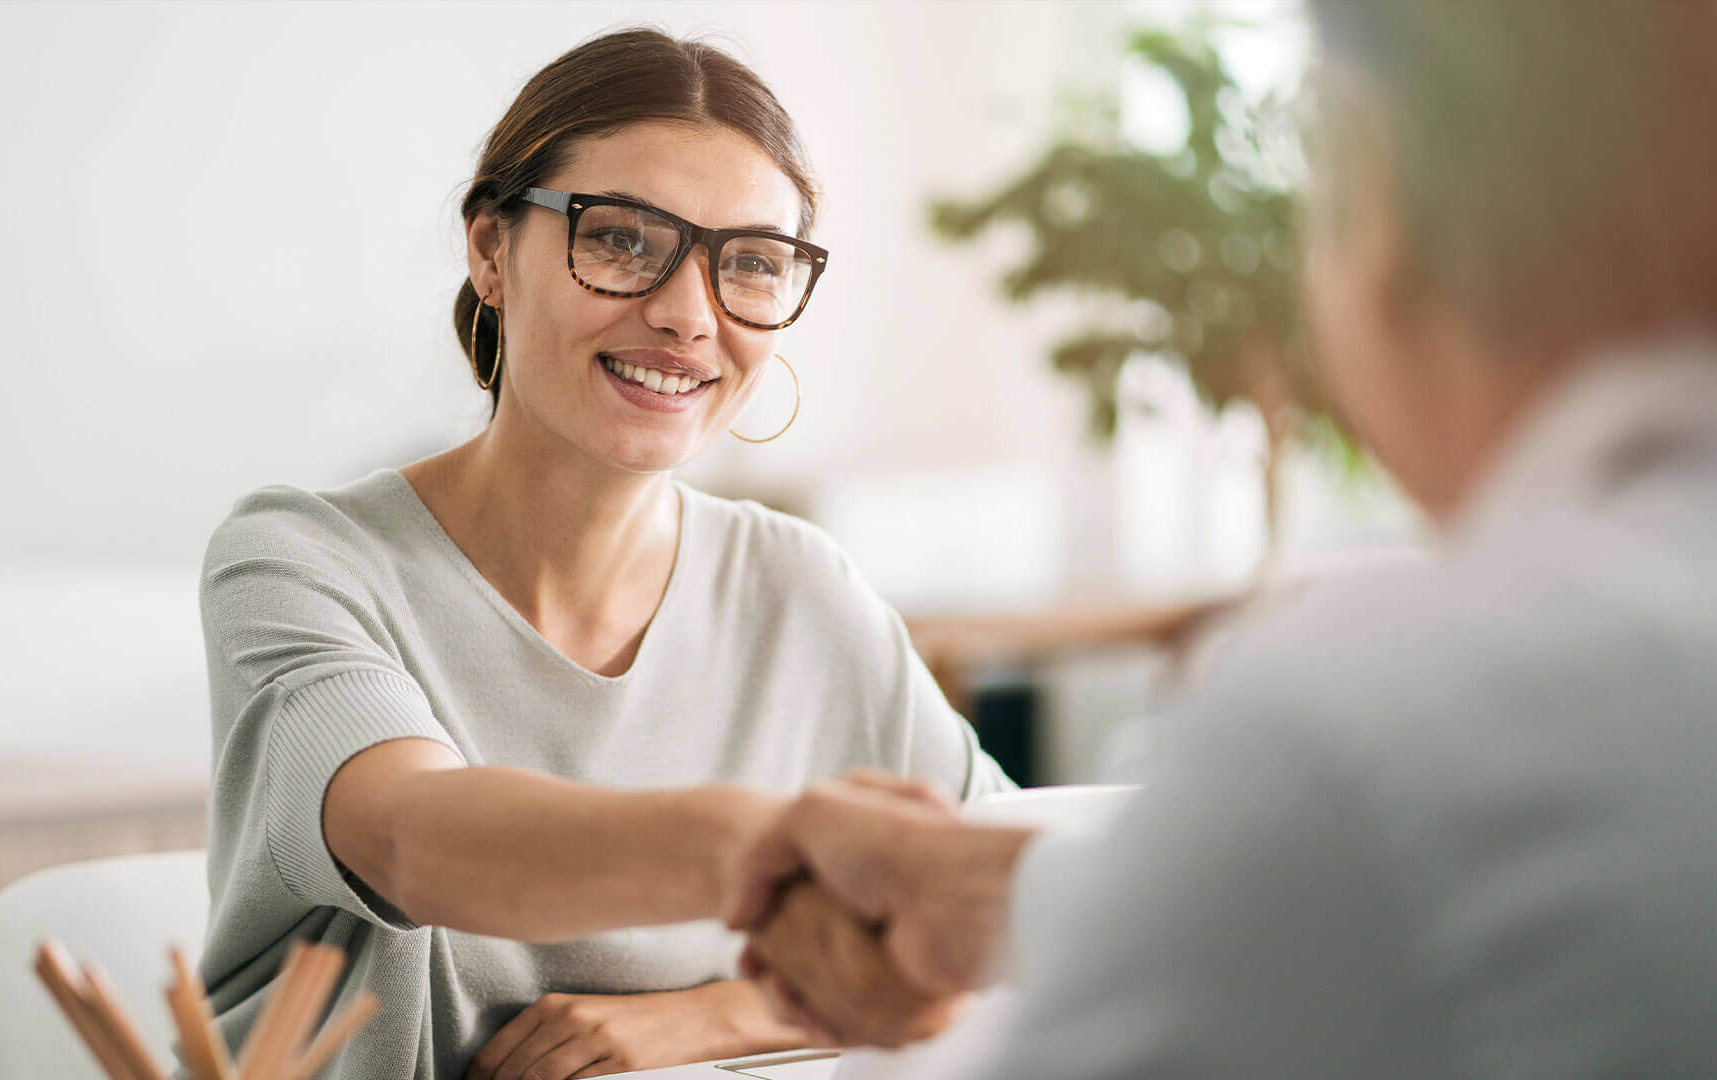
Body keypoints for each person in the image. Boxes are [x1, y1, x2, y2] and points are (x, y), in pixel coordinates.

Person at [727, 1, 1717, 1075]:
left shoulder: (1363, 731)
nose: (690, 315)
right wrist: (1020, 896)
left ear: (1365, 185)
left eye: (754, 261)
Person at [194, 29, 1013, 1080]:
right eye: (625, 241)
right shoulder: (304, 559)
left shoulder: (800, 588)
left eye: (752, 264)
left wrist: (726, 1015)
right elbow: (413, 840)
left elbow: (992, 920)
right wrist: (762, 850)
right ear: (492, 251)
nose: (686, 316)